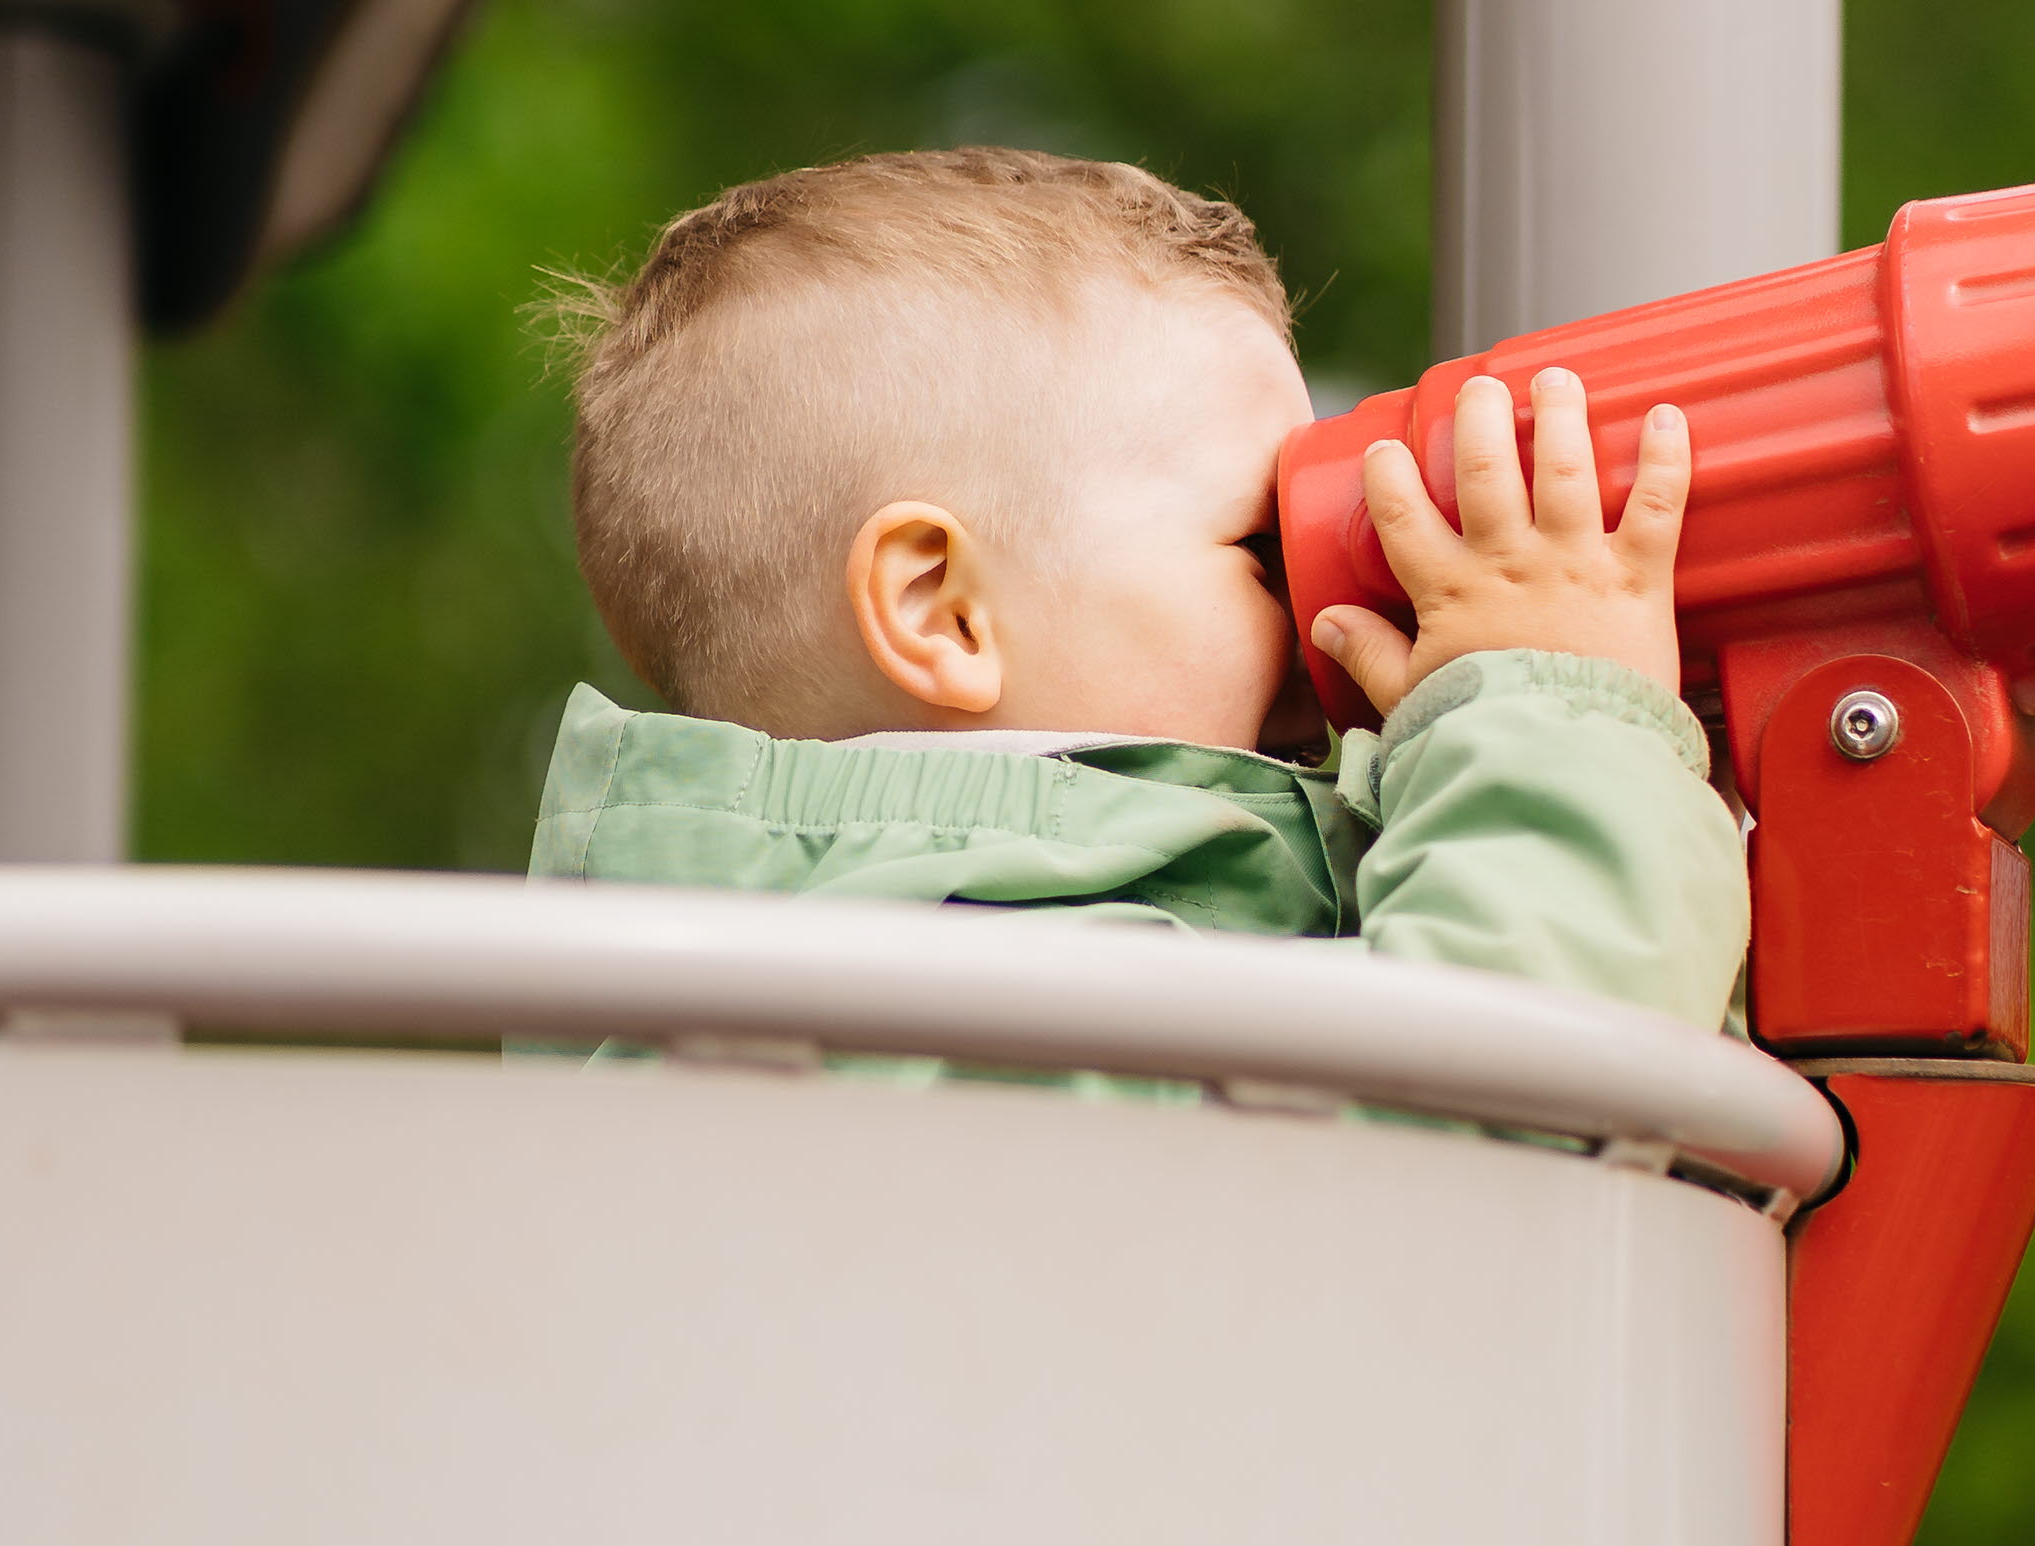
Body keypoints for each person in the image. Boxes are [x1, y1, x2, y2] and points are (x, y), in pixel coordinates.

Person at [528, 145, 1745, 1028]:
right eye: (1257, 543)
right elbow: (1478, 1142)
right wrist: (1564, 728)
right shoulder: (939, 1006)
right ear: (942, 608)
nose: (1327, 587)